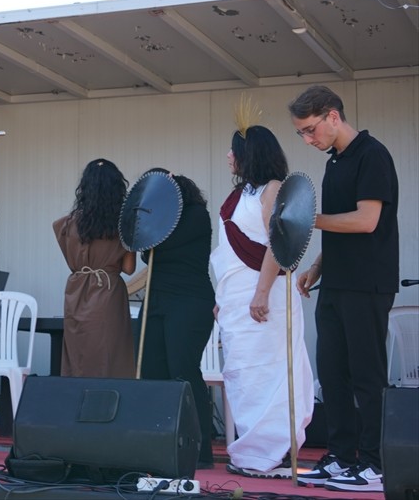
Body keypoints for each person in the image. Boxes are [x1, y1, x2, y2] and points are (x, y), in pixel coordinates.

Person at [289, 85, 398, 493]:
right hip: (335, 282)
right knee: (332, 374)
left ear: (333, 116)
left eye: (311, 129)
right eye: (301, 133)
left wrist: (307, 218)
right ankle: (340, 457)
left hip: (367, 283)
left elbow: (366, 220)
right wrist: (316, 266)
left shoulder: (373, 155)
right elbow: (339, 225)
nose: (307, 139)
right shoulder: (334, 162)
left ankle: (375, 465)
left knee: (367, 376)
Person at [210, 116, 313, 478]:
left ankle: (271, 452)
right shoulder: (240, 194)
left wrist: (261, 292)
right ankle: (251, 453)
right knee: (242, 373)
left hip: (266, 295)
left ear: (248, 155)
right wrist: (223, 296)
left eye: (233, 151)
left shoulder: (273, 188)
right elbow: (227, 251)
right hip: (236, 299)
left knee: (271, 372)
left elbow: (277, 242)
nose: (228, 156)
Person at [129, 169, 215, 468]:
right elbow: (142, 246)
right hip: (157, 299)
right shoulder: (160, 223)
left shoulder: (196, 215)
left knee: (183, 370)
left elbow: (158, 242)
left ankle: (201, 448)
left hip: (189, 301)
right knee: (152, 369)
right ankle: (158, 442)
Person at [52, 158, 136, 378]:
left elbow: (66, 246)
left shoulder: (67, 224)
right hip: (108, 292)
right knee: (110, 356)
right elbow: (128, 269)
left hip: (76, 291)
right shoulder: (122, 225)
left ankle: (76, 406)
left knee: (77, 355)